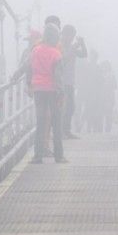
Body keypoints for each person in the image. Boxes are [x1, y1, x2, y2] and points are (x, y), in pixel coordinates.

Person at [30, 23, 68, 163]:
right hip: (52, 90)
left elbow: (29, 68)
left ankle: (37, 156)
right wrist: (61, 92)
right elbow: (58, 76)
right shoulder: (56, 53)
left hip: (38, 89)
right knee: (56, 122)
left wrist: (28, 83)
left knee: (40, 122)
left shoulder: (35, 50)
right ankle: (59, 156)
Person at [59, 25, 87, 139]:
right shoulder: (59, 46)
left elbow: (84, 54)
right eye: (70, 35)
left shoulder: (72, 47)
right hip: (60, 82)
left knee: (71, 107)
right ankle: (61, 131)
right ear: (64, 34)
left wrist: (82, 43)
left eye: (73, 36)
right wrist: (74, 47)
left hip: (70, 82)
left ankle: (66, 130)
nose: (71, 38)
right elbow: (63, 60)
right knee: (62, 108)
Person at [99, 61, 117, 132]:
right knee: (102, 114)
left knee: (108, 114)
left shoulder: (111, 75)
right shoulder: (100, 75)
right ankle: (101, 129)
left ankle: (107, 130)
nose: (104, 68)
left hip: (109, 97)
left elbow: (115, 86)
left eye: (105, 66)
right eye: (103, 66)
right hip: (102, 96)